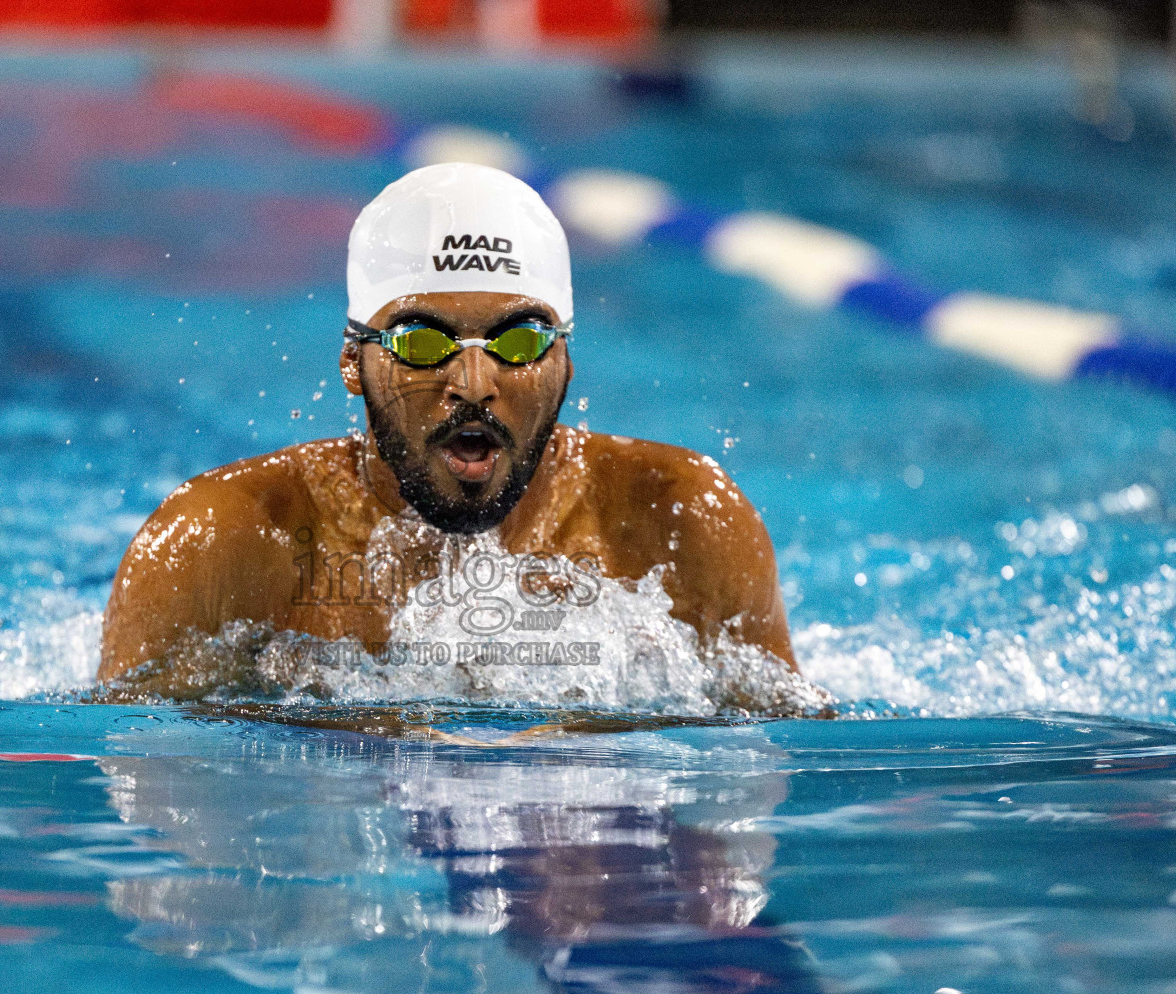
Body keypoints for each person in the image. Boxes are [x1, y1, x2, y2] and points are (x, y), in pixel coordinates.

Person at [98, 162, 805, 708]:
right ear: (352, 358)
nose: (473, 381)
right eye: (423, 340)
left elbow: (778, 769)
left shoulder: (682, 522)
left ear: (565, 359)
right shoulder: (217, 544)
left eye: (519, 339)